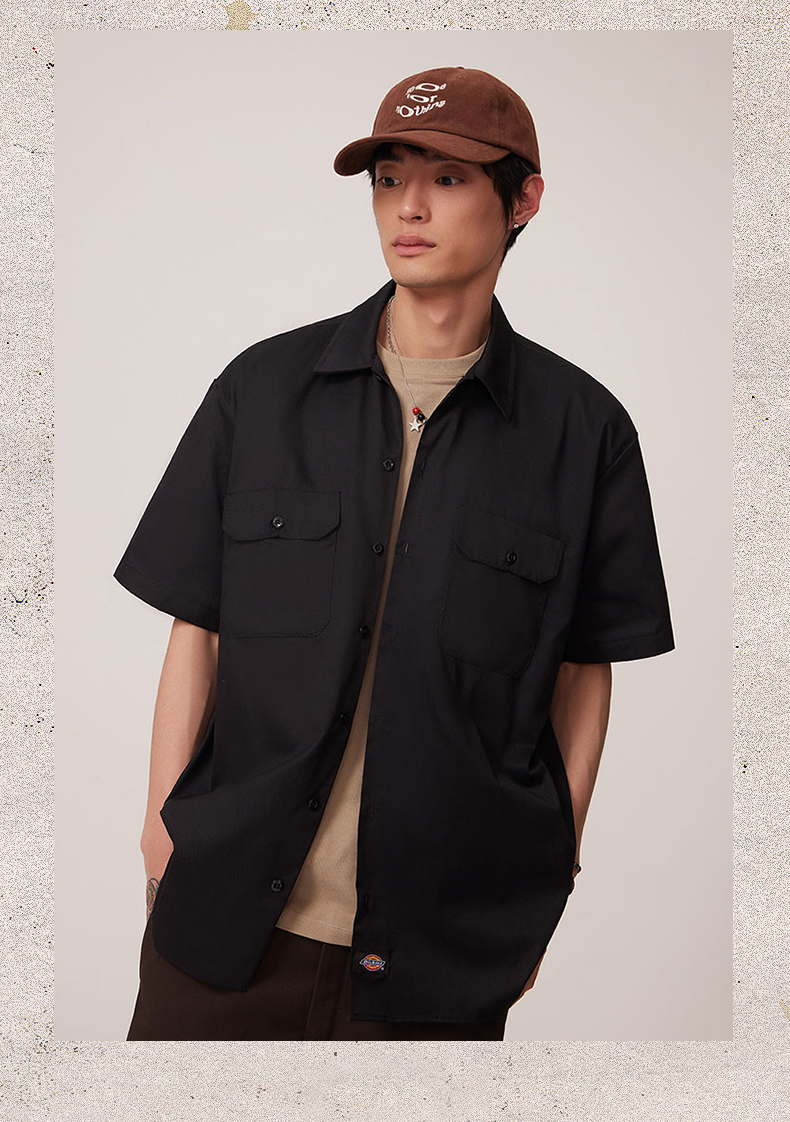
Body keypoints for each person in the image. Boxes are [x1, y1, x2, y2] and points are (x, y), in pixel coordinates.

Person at [115, 66, 675, 1041]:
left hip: (440, 951)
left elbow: (584, 673)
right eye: (388, 177)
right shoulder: (262, 392)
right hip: (226, 926)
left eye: (448, 178)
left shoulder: (585, 435)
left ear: (523, 200)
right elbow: (196, 628)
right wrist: (163, 831)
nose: (407, 206)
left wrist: (551, 874)